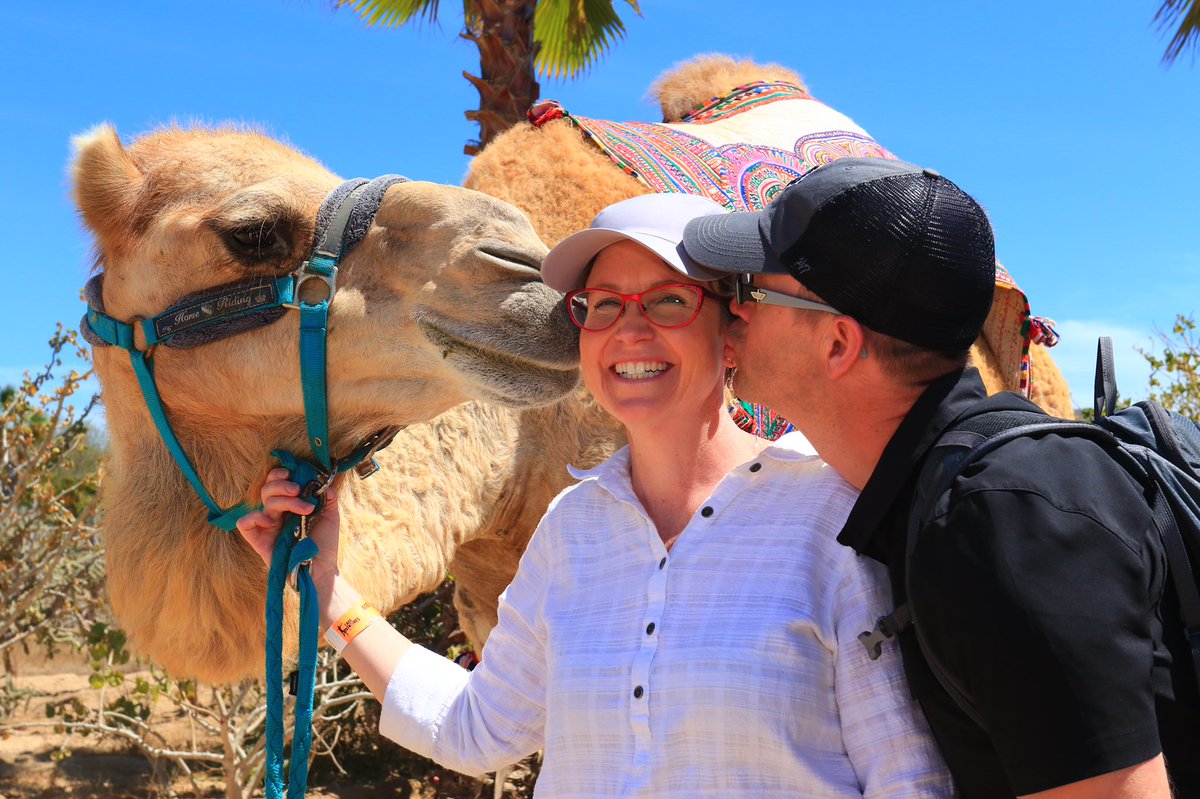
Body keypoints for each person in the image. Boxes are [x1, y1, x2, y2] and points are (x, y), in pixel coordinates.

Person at [237, 192, 952, 798]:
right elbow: (476, 728)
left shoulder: (832, 514)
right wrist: (327, 589)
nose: (629, 331)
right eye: (602, 305)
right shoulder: (572, 528)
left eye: (669, 300)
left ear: (732, 328)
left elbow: (908, 776)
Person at [681, 157, 1200, 798]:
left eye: (751, 292)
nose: (731, 312)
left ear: (838, 343)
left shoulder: (1001, 524)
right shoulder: (948, 491)